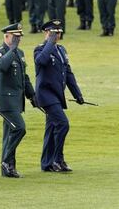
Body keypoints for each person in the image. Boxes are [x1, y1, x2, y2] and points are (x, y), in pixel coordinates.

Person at [34, 19, 85, 172]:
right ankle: (58, 159)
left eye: (59, 33)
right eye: (53, 33)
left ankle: (47, 163)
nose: (57, 35)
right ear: (46, 33)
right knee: (63, 124)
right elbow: (41, 61)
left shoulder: (62, 50)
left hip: (57, 95)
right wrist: (49, 42)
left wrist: (77, 94)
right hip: (46, 95)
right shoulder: (40, 49)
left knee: (51, 129)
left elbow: (68, 73)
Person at [0, 23, 37, 178]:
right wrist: (12, 49)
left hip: (16, 101)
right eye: (15, 37)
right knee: (19, 128)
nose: (18, 40)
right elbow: (2, 67)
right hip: (6, 101)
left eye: (19, 37)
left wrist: (32, 95)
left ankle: (8, 167)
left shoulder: (19, 52)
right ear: (6, 36)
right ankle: (6, 162)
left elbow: (24, 76)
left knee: (10, 133)